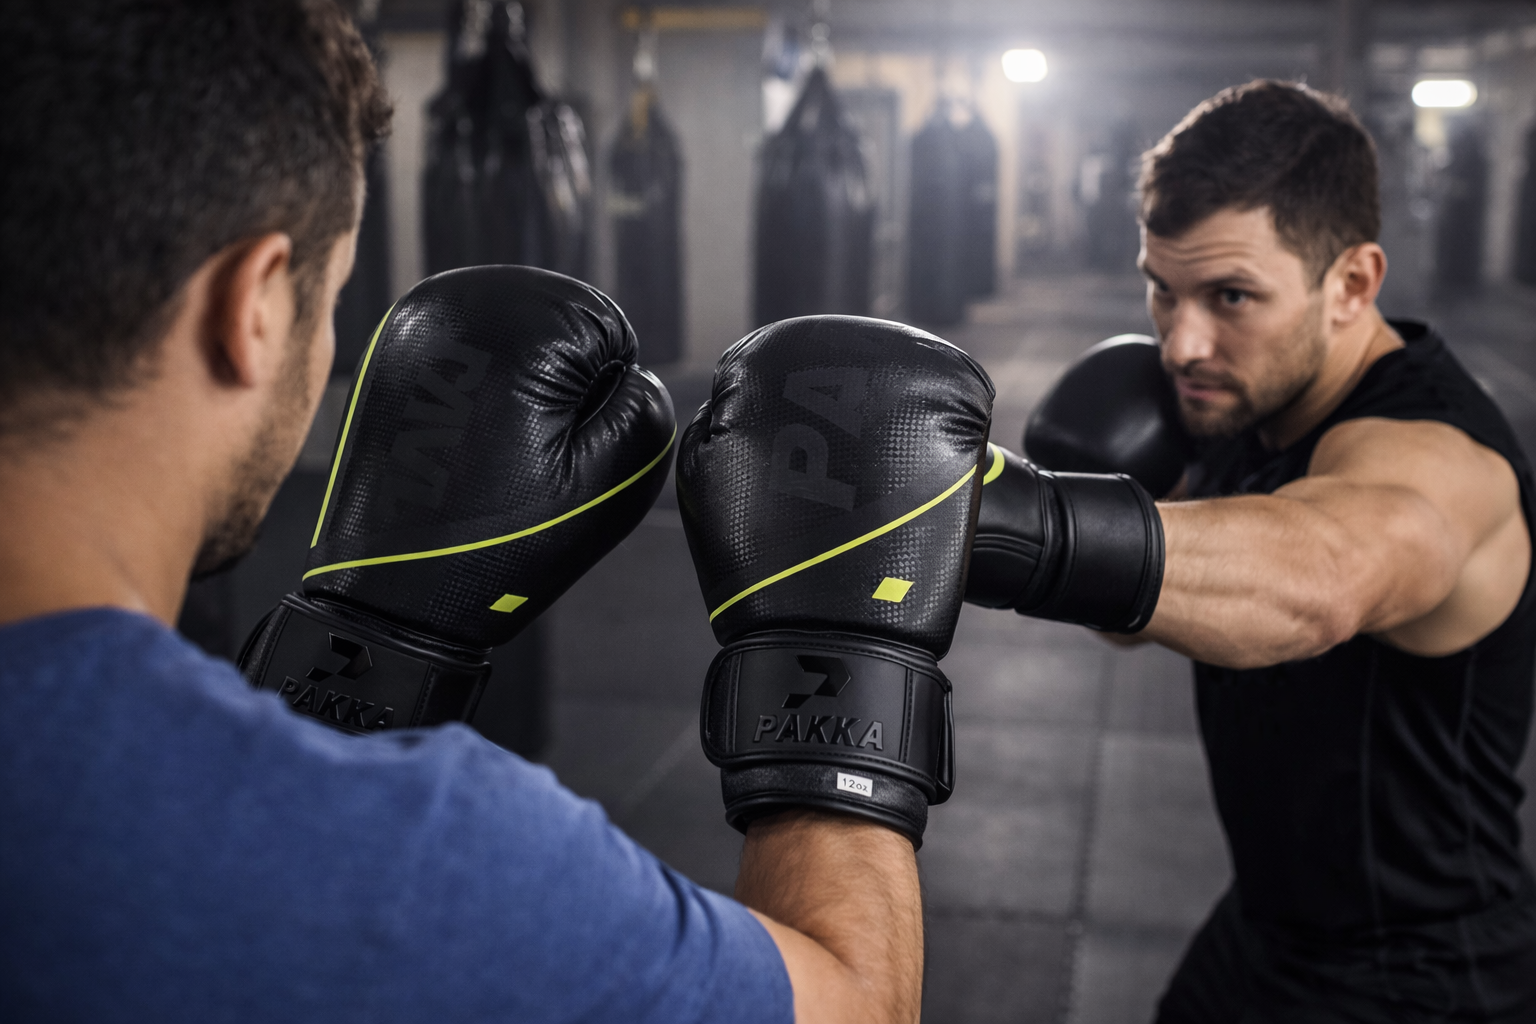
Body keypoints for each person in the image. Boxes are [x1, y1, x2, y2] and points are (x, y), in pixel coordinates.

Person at [0, 4, 926, 1022]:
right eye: (329, 296)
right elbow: (854, 1005)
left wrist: (361, 659)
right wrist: (835, 647)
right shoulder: (410, 856)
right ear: (254, 306)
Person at [966, 80, 1536, 1021]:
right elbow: (1134, 620)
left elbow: (1316, 580)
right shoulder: (1238, 397)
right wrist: (1104, 520)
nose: (1183, 343)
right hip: (1267, 927)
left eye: (1231, 296)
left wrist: (993, 517)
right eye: (1162, 288)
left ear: (1352, 285)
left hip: (1421, 976)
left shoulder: (1438, 459)